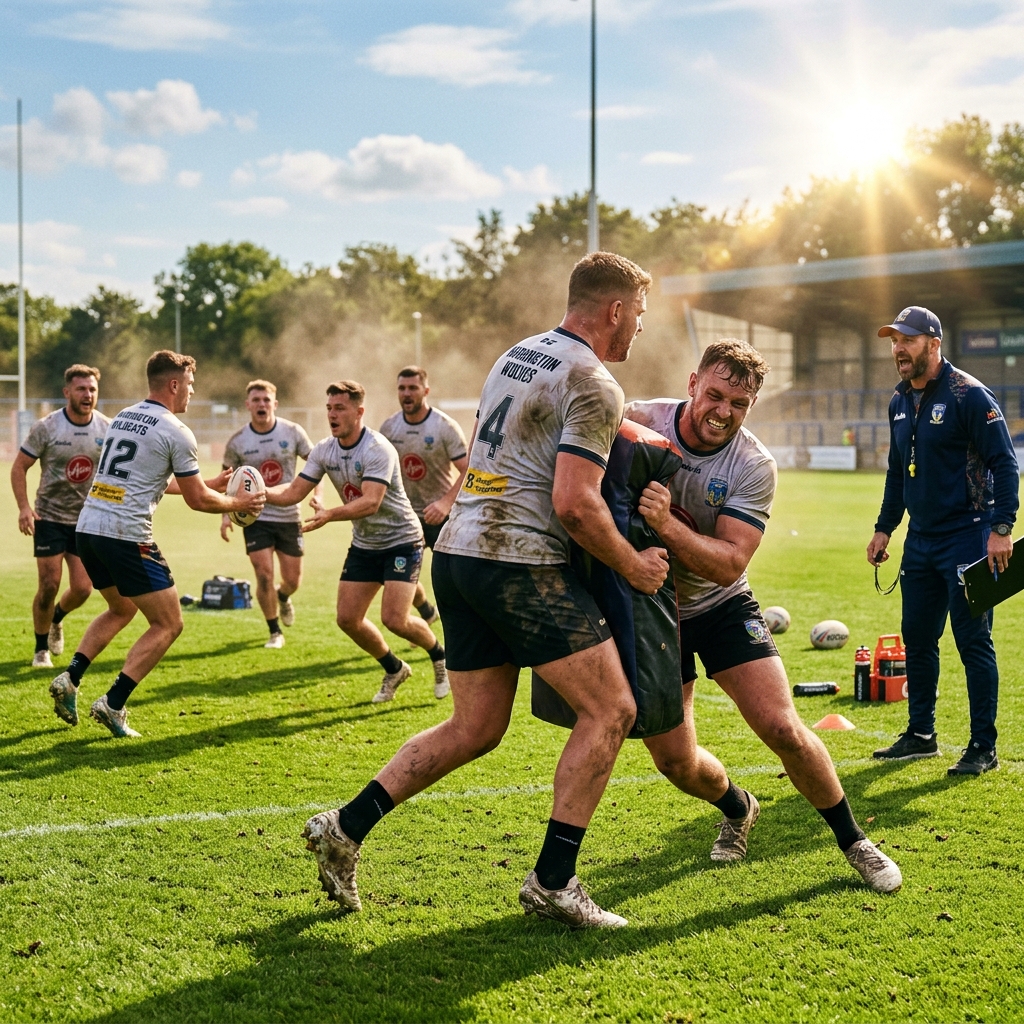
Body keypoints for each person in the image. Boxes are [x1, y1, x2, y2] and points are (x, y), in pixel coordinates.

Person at [300, 251, 670, 929]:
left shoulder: (519, 355)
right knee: (612, 710)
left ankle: (345, 827)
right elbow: (576, 505)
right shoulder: (595, 379)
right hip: (518, 561)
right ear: (615, 309)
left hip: (459, 555)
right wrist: (634, 565)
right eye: (638, 315)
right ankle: (554, 882)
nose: (639, 330)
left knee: (475, 726)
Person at [628, 338, 902, 894]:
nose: (723, 412)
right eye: (715, 395)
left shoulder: (753, 464)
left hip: (724, 606)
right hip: (655, 611)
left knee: (784, 728)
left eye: (739, 404)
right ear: (692, 384)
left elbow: (729, 564)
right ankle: (737, 806)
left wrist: (666, 526)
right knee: (675, 763)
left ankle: (856, 842)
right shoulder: (635, 420)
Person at [48, 350, 265, 738]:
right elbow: (199, 502)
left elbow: (150, 480)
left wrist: (211, 485)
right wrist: (239, 503)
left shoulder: (124, 418)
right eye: (190, 385)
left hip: (89, 529)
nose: (192, 393)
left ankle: (71, 678)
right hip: (125, 535)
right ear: (174, 384)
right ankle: (113, 704)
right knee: (169, 622)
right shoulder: (176, 431)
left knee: (121, 608)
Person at [868, 306, 1018, 776]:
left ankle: (982, 747)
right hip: (921, 541)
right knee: (917, 635)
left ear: (933, 344)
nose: (898, 349)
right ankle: (921, 735)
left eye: (907, 340)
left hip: (970, 537)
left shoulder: (968, 395)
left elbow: (1005, 463)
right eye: (894, 341)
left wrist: (1001, 529)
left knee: (973, 641)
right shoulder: (898, 401)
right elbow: (897, 471)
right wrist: (884, 527)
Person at [263, 380, 449, 702]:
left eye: (340, 408)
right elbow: (293, 492)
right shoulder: (324, 450)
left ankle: (439, 657)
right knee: (347, 619)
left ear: (359, 411)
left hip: (401, 540)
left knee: (395, 619)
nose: (332, 415)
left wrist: (329, 515)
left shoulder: (378, 448)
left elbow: (371, 502)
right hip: (366, 544)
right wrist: (257, 495)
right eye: (329, 408)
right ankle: (394, 668)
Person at [11, 365, 110, 668]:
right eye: (81, 389)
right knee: (49, 584)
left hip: (85, 519)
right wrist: (25, 508)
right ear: (67, 392)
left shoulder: (106, 428)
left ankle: (56, 618)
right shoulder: (48, 427)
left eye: (92, 389)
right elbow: (19, 467)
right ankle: (41, 649)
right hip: (49, 516)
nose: (87, 395)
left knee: (83, 588)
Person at [221, 379, 319, 649]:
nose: (261, 405)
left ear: (274, 404)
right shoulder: (238, 441)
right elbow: (226, 481)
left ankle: (284, 597)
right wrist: (225, 514)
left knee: (292, 580)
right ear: (248, 405)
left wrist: (317, 495)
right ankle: (274, 631)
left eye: (266, 400)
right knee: (264, 573)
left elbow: (315, 465)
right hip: (255, 517)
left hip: (289, 515)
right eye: (256, 400)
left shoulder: (293, 432)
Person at [379, 366, 469, 624]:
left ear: (425, 391)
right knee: (396, 576)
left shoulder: (444, 426)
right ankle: (427, 613)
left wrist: (445, 502)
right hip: (404, 517)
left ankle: (461, 629)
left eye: (413, 388)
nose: (406, 393)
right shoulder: (390, 427)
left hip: (439, 517)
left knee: (452, 581)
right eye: (402, 388)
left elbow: (468, 470)